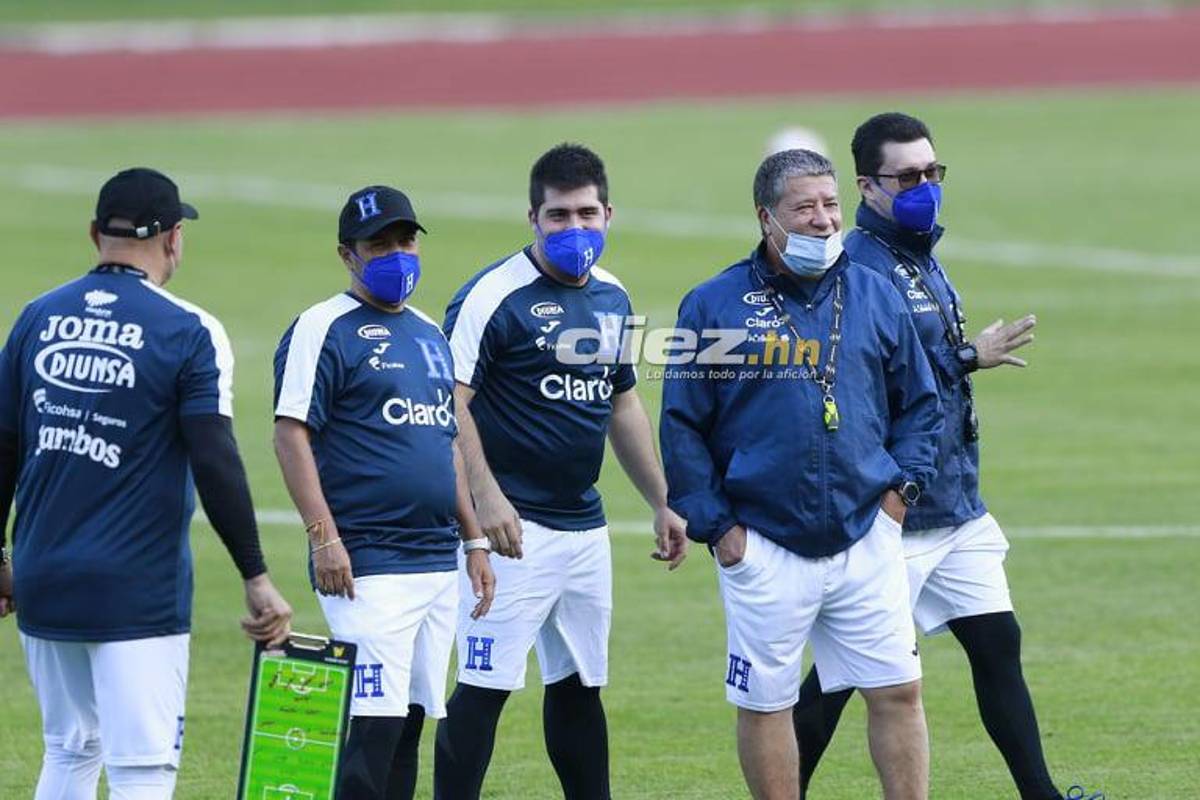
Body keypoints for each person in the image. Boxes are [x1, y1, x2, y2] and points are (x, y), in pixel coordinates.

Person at [791, 112, 1079, 800]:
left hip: (956, 502)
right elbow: (870, 379)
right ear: (867, 184)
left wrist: (961, 363)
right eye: (908, 176)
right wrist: (967, 356)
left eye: (932, 173)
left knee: (997, 643)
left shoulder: (920, 253)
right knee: (841, 677)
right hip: (898, 509)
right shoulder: (859, 266)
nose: (925, 187)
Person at [0, 167, 292, 799]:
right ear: (173, 239)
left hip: (42, 574)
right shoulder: (190, 330)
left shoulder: (34, 318)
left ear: (93, 234)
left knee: (70, 748)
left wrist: (0, 556)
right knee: (143, 768)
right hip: (136, 587)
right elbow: (215, 459)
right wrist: (256, 575)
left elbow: (3, 447)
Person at [661, 149, 943, 800]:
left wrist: (902, 495)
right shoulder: (713, 303)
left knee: (899, 691)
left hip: (865, 534)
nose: (823, 220)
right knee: (767, 702)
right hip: (762, 541)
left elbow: (920, 405)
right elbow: (682, 425)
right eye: (805, 208)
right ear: (767, 218)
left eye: (831, 205)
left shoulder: (874, 293)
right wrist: (719, 530)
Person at [434, 143, 688, 800]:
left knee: (579, 685)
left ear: (609, 214)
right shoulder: (493, 297)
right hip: (512, 528)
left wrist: (663, 501)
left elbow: (622, 401)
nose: (574, 230)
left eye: (586, 214)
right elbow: (448, 402)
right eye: (558, 216)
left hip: (584, 528)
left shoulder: (612, 296)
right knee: (483, 692)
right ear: (532, 218)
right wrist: (486, 500)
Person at [272, 185, 496, 800]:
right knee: (372, 724)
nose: (397, 255)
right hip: (366, 561)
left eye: (405, 241)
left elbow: (444, 440)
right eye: (379, 245)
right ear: (348, 255)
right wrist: (324, 539)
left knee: (410, 721)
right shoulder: (322, 328)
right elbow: (290, 434)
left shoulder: (428, 332)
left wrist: (473, 539)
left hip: (434, 560)